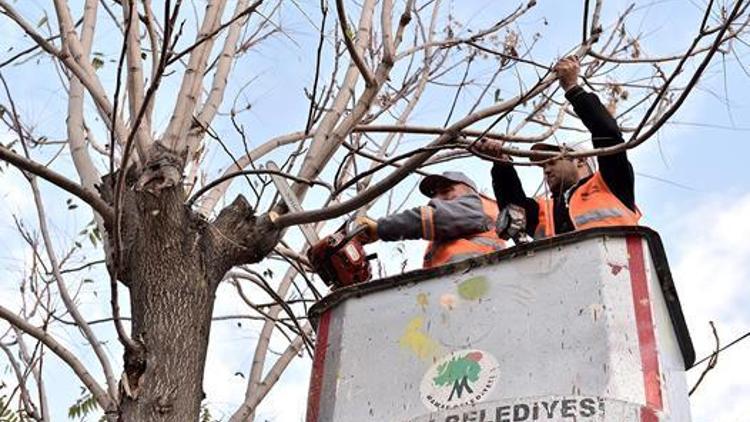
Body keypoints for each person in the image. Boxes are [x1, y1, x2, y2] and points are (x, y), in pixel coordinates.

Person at [478, 56, 640, 239]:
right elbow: (514, 209)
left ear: (580, 159)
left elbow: (607, 132)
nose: (546, 170)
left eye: (551, 161)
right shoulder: (545, 210)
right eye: (543, 166)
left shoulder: (611, 184)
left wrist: (572, 88)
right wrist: (501, 163)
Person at [355, 171, 506, 268]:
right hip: (458, 289)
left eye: (446, 190)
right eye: (434, 195)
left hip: (477, 282)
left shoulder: (474, 205)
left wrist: (380, 228)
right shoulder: (448, 233)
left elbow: (435, 218)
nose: (437, 199)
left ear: (470, 190)